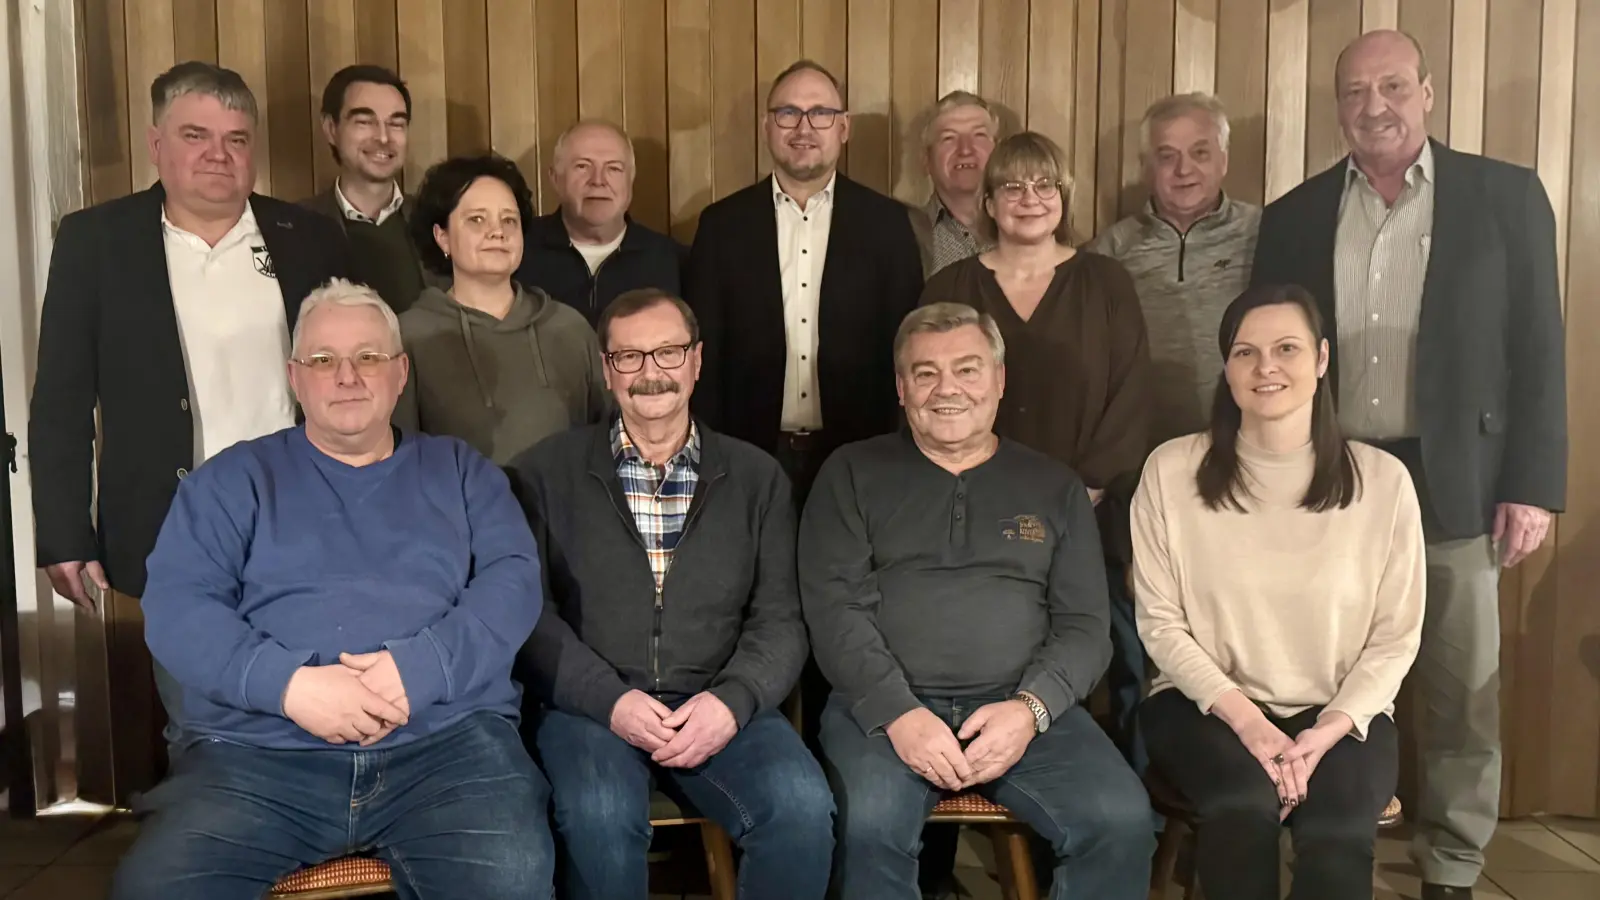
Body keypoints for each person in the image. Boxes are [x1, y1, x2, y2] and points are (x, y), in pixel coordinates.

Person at [109, 280, 553, 900]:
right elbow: (178, 609)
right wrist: (290, 686)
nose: (347, 376)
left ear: (400, 374)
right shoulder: (231, 481)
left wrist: (420, 670)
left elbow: (513, 583)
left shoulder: (462, 472)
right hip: (258, 755)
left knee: (513, 881)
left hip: (447, 751)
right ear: (296, 378)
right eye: (323, 360)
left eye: (368, 357)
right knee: (157, 888)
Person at [1250, 30, 1567, 899]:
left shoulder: (1504, 196)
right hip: (1329, 481)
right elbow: (1273, 355)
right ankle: (1318, 843)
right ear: (1338, 106)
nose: (1374, 106)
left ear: (1427, 91)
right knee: (1317, 677)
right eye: (1355, 91)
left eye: (1392, 86)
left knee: (1461, 686)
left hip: (1455, 478)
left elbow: (1540, 346)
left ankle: (1455, 865)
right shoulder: (1296, 214)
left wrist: (1533, 485)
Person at [28, 61, 348, 797]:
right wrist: (64, 533)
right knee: (205, 722)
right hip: (172, 526)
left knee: (309, 707)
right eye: (196, 135)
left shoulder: (309, 237)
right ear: (156, 144)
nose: (219, 154)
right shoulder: (95, 241)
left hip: (302, 519)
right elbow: (62, 402)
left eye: (237, 139)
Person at [800, 302, 1154, 900]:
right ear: (901, 386)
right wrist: (899, 713)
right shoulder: (851, 473)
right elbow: (835, 612)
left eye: (967, 370)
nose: (947, 390)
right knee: (865, 829)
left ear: (998, 379)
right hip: (883, 715)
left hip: (1027, 713)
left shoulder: (1054, 485)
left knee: (1119, 820)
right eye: (926, 372)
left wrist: (1030, 709)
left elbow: (1086, 625)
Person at [510, 288, 834, 899]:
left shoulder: (757, 477)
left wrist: (732, 702)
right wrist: (612, 702)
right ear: (607, 372)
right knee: (600, 818)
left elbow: (781, 619)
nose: (650, 373)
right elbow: (531, 617)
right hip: (593, 711)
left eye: (667, 352)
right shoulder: (542, 474)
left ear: (696, 361)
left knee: (801, 808)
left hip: (719, 703)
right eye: (629, 358)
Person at [1132, 283, 1426, 900]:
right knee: (1242, 808)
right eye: (1245, 353)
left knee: (1340, 832)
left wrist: (1331, 728)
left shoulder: (1383, 480)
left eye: (1286, 349)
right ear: (1227, 367)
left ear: (1321, 360)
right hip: (1204, 707)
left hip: (1343, 714)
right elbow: (1159, 624)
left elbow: (1396, 635)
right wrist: (1249, 723)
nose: (1266, 367)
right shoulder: (1171, 469)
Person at [921, 132, 1151, 779]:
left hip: (1087, 507)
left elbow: (1133, 391)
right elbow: (919, 387)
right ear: (988, 201)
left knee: (1113, 648)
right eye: (1013, 186)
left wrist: (1091, 488)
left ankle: (1121, 795)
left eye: (1044, 184)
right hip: (966, 508)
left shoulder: (1105, 281)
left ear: (1063, 196)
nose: (1029, 198)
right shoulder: (948, 285)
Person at [686, 58, 924, 504]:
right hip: (747, 454)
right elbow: (704, 348)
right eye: (787, 113)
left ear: (844, 128)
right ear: (766, 126)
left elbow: (905, 343)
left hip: (860, 453)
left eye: (821, 113)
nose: (804, 127)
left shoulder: (887, 224)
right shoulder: (721, 225)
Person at [395, 152, 607, 466]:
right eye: (477, 220)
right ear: (442, 237)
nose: (498, 232)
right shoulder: (407, 335)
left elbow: (607, 437)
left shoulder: (568, 327)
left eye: (509, 220)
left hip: (564, 512)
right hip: (457, 513)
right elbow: (398, 458)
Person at [514, 119, 685, 327]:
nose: (598, 180)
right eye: (582, 166)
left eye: (613, 168)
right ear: (555, 178)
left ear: (630, 179)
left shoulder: (672, 261)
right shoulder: (516, 250)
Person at [302, 64, 436, 314]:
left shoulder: (437, 220)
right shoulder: (296, 226)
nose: (383, 138)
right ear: (331, 129)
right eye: (365, 122)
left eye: (396, 124)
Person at [906, 90, 999, 276]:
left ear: (1000, 151)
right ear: (926, 160)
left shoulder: (1035, 228)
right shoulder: (902, 234)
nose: (965, 149)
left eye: (979, 135)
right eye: (949, 138)